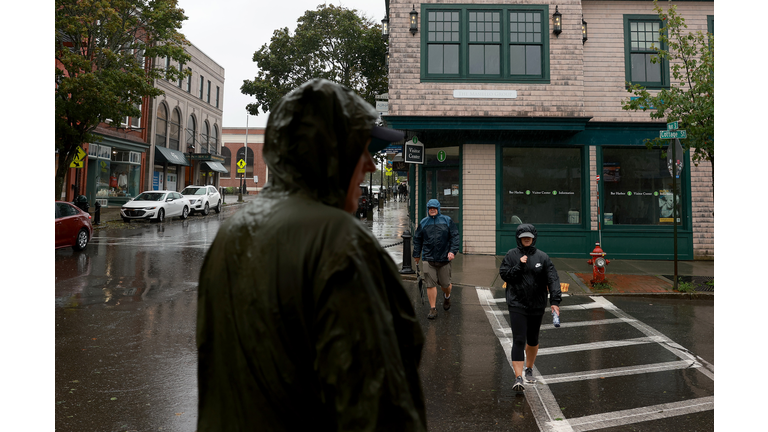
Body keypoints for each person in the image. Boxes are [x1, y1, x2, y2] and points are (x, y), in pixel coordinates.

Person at [196, 79, 427, 431]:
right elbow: (382, 408)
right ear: (332, 154)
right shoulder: (341, 243)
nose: (370, 165)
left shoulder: (232, 232)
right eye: (362, 150)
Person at [499, 223, 562, 393]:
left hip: (537, 304)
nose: (526, 239)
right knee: (519, 339)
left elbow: (553, 279)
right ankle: (518, 377)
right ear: (518, 238)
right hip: (517, 303)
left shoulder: (543, 257)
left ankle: (529, 369)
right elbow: (505, 275)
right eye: (523, 237)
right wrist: (519, 265)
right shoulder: (511, 255)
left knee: (533, 339)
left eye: (529, 236)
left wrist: (555, 301)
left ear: (534, 238)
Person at [412, 199, 460, 319]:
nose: (432, 210)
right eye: (430, 208)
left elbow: (455, 237)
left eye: (434, 208)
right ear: (428, 209)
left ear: (438, 209)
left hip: (444, 259)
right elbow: (417, 240)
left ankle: (447, 296)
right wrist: (416, 255)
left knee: (445, 285)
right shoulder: (423, 223)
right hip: (428, 258)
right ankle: (433, 309)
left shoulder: (447, 221)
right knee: (430, 284)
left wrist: (452, 251)